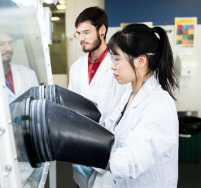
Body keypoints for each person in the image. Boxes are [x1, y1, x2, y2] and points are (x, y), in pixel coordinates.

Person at [100, 23, 179, 187]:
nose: (112, 66)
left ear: (141, 60)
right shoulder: (129, 96)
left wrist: (82, 153)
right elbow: (108, 127)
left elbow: (131, 160)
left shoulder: (160, 104)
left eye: (116, 59)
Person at [68, 6, 128, 188]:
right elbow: (70, 108)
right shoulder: (76, 67)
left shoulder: (119, 65)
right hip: (80, 149)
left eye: (86, 32)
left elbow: (121, 113)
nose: (81, 39)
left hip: (108, 154)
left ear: (102, 30)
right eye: (78, 33)